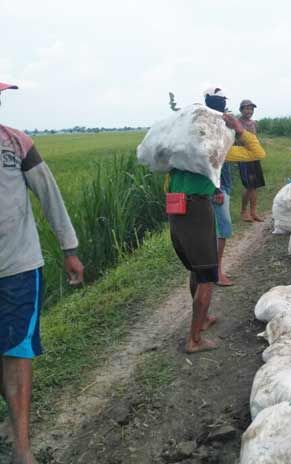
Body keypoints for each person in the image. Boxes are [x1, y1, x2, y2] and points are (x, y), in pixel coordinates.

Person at [0, 81, 85, 464]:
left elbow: (50, 195)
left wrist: (69, 249)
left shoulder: (17, 144)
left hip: (18, 267)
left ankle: (21, 448)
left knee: (16, 353)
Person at [168, 88, 266, 354]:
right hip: (196, 211)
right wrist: (237, 128)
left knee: (195, 269)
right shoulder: (215, 149)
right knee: (208, 276)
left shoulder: (180, 151)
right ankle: (194, 339)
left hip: (176, 210)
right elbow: (257, 153)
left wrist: (212, 189)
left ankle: (204, 319)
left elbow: (170, 181)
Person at [204, 89, 233, 287]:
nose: (222, 103)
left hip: (222, 183)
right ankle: (217, 272)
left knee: (217, 229)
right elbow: (208, 160)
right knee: (221, 229)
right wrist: (216, 188)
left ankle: (214, 269)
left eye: (223, 100)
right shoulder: (209, 126)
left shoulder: (217, 123)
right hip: (216, 186)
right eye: (219, 100)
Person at [237, 99, 265, 222]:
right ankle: (243, 212)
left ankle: (253, 212)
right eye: (247, 109)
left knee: (255, 185)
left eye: (251, 109)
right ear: (241, 110)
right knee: (249, 186)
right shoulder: (237, 123)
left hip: (254, 157)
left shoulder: (253, 123)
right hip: (243, 157)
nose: (249, 111)